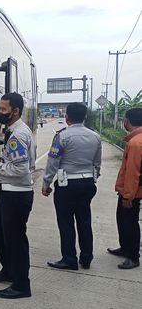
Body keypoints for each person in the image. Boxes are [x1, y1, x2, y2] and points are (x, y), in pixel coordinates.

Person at [0, 92, 36, 299]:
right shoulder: (12, 131)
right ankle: (9, 270)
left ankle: (21, 285)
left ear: (16, 111)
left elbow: (20, 170)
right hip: (7, 192)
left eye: (3, 110)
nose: (0, 113)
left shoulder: (18, 135)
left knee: (15, 240)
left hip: (16, 195)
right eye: (0, 108)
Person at [42, 103, 101, 270]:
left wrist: (46, 183)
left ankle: (69, 258)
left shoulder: (62, 136)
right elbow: (97, 163)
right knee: (84, 220)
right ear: (85, 117)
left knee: (66, 222)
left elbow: (53, 162)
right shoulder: (95, 137)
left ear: (66, 117)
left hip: (67, 185)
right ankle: (87, 258)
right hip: (88, 183)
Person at [108, 107, 142, 269]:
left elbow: (133, 172)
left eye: (124, 119)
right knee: (122, 220)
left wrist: (128, 195)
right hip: (131, 190)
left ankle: (133, 256)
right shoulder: (135, 139)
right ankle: (125, 248)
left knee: (129, 223)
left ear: (128, 121)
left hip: (132, 192)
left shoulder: (136, 143)